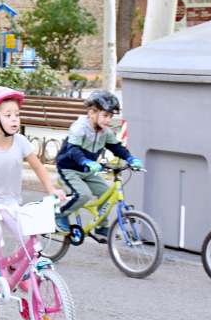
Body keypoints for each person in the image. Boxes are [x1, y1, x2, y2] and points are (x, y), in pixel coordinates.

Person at [0, 87, 64, 297]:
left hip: (9, 202)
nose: (15, 119)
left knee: (28, 235)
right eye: (8, 115)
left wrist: (51, 189)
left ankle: (16, 270)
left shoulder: (21, 142)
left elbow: (38, 167)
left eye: (17, 115)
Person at [53, 91, 143, 233]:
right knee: (84, 195)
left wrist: (130, 158)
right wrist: (85, 161)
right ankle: (60, 214)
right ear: (92, 112)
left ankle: (101, 226)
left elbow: (116, 147)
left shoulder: (105, 131)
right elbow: (72, 150)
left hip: (87, 171)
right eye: (105, 115)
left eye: (111, 116)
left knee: (106, 193)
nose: (108, 120)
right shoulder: (79, 127)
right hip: (68, 169)